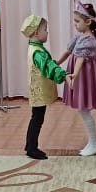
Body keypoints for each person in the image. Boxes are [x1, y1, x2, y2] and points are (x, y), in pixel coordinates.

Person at [57, 0, 96, 157]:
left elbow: (80, 58)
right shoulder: (79, 37)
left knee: (84, 110)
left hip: (84, 79)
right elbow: (68, 52)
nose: (75, 24)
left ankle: (94, 143)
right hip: (81, 77)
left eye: (77, 21)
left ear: (88, 22)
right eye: (74, 21)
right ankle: (93, 142)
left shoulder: (89, 41)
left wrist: (75, 74)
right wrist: (56, 63)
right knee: (83, 110)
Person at [19, 15, 72, 160]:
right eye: (45, 29)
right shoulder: (37, 52)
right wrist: (64, 75)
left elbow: (48, 64)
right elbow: (48, 66)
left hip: (37, 89)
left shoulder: (34, 48)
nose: (47, 32)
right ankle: (31, 148)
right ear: (36, 32)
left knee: (36, 117)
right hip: (39, 91)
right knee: (37, 118)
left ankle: (30, 145)